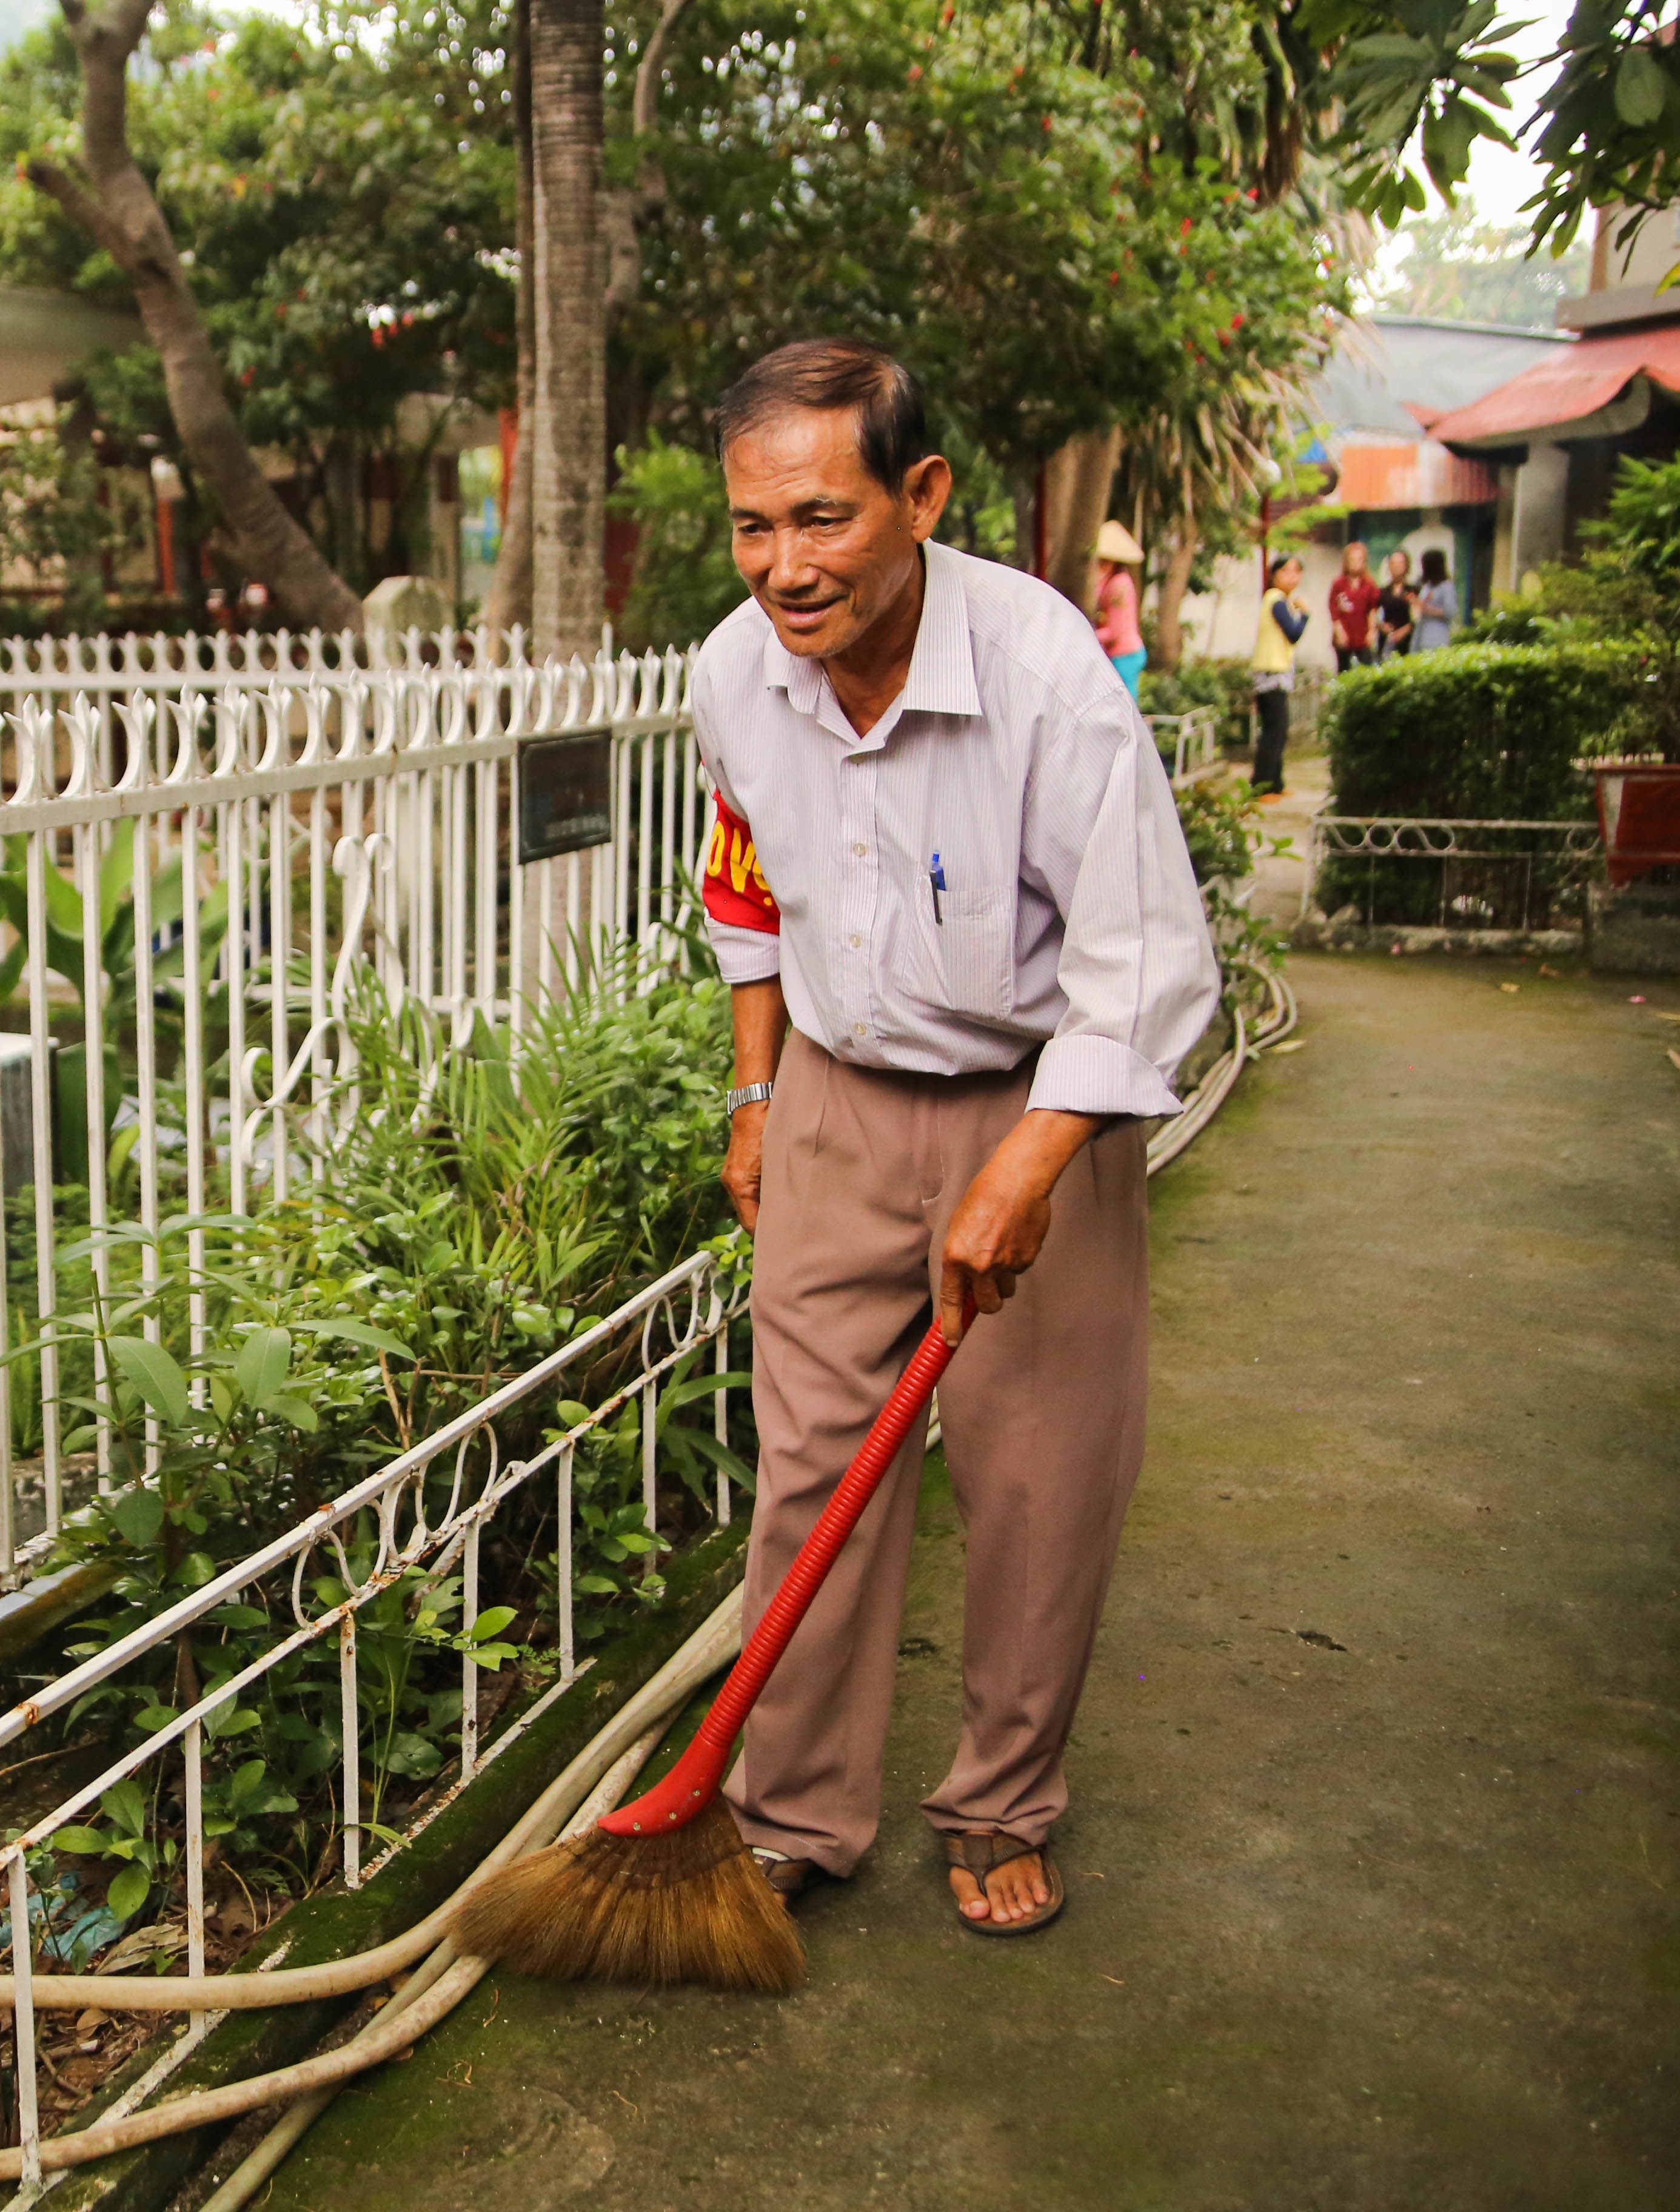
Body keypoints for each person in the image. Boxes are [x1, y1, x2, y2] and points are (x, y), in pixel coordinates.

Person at [695, 338, 1219, 1936]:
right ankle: (791, 1812)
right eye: (752, 527)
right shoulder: (731, 672)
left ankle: (999, 1800)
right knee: (810, 1472)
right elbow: (749, 885)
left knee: (1041, 1475)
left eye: (822, 519)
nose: (785, 568)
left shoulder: (1048, 672)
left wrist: (1032, 1162)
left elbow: (1149, 960)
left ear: (919, 496)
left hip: (1034, 1099)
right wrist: (759, 1091)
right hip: (840, 1102)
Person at [1252, 552, 1305, 797]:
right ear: (1274, 575)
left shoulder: (1282, 599)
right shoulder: (1276, 599)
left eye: (1296, 571)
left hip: (1277, 670)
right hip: (1271, 672)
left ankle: (1276, 783)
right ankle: (1262, 785)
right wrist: (1305, 615)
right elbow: (1293, 632)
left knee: (1279, 729)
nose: (1291, 577)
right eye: (1285, 571)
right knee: (1275, 729)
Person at [1091, 518, 1145, 703]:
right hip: (1116, 655)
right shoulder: (1108, 581)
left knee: (1126, 707)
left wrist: (1088, 635)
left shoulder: (1119, 585)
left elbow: (1115, 631)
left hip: (1125, 655)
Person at [1327, 552, 1378, 671]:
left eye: (1359, 560)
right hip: (1344, 634)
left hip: (1363, 635)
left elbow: (1373, 609)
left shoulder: (1369, 584)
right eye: (1352, 560)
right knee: (1344, 669)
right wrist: (1339, 631)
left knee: (1367, 668)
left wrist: (1372, 631)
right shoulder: (1338, 584)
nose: (1355, 563)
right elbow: (1333, 610)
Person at [1373, 548, 1416, 660]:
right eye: (1393, 563)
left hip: (1409, 641)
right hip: (1387, 640)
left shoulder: (1414, 590)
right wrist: (1382, 626)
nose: (1397, 567)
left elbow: (1418, 618)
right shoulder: (1382, 591)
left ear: (1407, 566)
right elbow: (1372, 614)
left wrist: (1405, 631)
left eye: (1400, 563)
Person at [1413, 546, 1459, 651]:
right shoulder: (1426, 587)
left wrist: (1428, 609)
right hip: (1422, 635)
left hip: (1438, 638)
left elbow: (1451, 611)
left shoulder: (1447, 587)